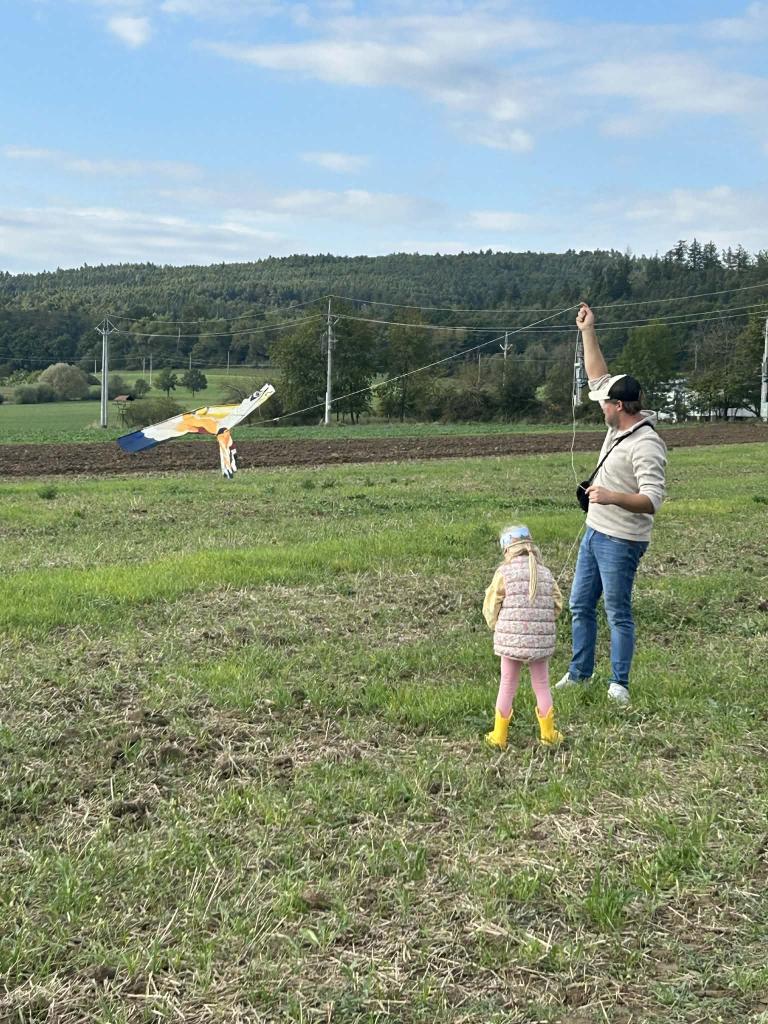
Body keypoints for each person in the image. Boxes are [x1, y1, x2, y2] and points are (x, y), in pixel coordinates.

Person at [556, 302, 667, 706]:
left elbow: (652, 499)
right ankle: (579, 674)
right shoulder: (617, 427)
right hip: (595, 532)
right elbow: (597, 375)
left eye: (604, 403)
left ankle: (619, 684)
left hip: (622, 540)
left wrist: (610, 496)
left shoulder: (647, 444)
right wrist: (588, 331)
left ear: (619, 407)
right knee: (580, 604)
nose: (599, 406)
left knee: (617, 611)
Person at [483, 525, 565, 749]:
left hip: (510, 641)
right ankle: (548, 734)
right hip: (540, 641)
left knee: (507, 683)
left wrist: (496, 625)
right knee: (542, 684)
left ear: (506, 550)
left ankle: (499, 735)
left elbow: (491, 604)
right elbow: (557, 604)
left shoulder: (504, 572)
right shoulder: (545, 573)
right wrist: (543, 623)